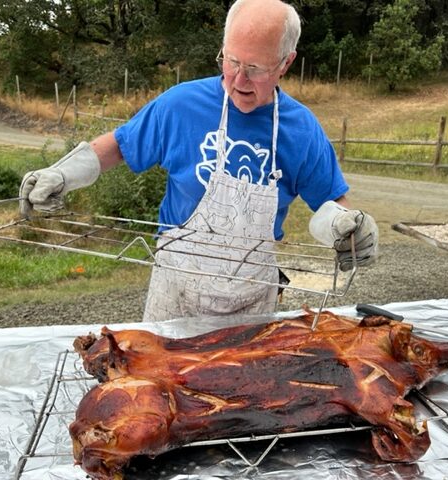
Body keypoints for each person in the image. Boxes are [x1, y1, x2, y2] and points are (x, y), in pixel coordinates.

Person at [19, 0, 379, 322]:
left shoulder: (301, 130)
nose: (238, 80)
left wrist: (347, 227)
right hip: (175, 290)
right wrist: (62, 173)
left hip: (251, 303)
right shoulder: (181, 105)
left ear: (286, 62)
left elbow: (329, 205)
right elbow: (118, 146)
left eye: (255, 68)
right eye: (231, 61)